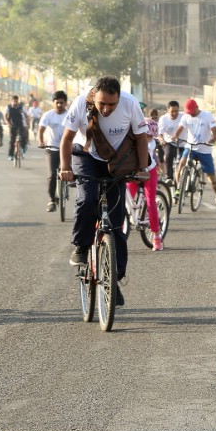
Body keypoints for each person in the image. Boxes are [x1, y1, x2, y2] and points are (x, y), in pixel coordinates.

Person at [58, 76, 150, 306]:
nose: (106, 109)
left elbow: (140, 138)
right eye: (102, 104)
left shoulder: (130, 104)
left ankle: (114, 279)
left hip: (116, 162)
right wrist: (65, 167)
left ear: (119, 98)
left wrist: (142, 168)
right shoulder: (81, 103)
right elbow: (67, 139)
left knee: (117, 225)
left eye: (112, 104)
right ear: (94, 99)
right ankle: (80, 246)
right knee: (87, 199)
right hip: (86, 157)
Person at [176, 98, 216, 212]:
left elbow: (215, 134)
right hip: (190, 147)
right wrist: (176, 137)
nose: (190, 114)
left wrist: (211, 140)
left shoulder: (207, 116)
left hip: (204, 149)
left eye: (191, 111)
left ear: (196, 107)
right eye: (188, 112)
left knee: (212, 178)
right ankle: (179, 189)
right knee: (181, 165)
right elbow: (180, 129)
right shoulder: (186, 116)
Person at [126, 106, 164, 251]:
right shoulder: (134, 140)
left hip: (149, 172)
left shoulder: (150, 143)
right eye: (143, 134)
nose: (145, 137)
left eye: (149, 135)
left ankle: (156, 236)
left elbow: (151, 156)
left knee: (150, 201)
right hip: (135, 172)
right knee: (126, 198)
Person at [38, 91, 68, 211]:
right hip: (52, 149)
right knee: (52, 175)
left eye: (62, 103)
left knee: (74, 174)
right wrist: (41, 141)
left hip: (67, 149)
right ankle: (52, 200)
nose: (59, 105)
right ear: (53, 103)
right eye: (57, 103)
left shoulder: (70, 115)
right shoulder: (48, 115)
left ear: (66, 103)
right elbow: (41, 130)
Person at [156, 100, 184, 183]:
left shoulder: (184, 117)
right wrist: (161, 140)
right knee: (168, 155)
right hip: (169, 142)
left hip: (183, 143)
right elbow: (159, 133)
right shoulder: (163, 119)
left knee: (184, 160)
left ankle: (184, 176)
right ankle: (169, 177)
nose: (175, 113)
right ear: (168, 110)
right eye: (172, 111)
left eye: (176, 111)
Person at [5, 95, 27, 159]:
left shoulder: (21, 107)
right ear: (12, 101)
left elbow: (26, 115)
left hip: (20, 124)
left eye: (16, 101)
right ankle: (10, 155)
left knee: (23, 136)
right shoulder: (8, 107)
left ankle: (23, 147)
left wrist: (27, 123)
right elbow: (5, 116)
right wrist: (8, 123)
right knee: (12, 140)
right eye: (14, 101)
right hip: (12, 125)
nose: (15, 103)